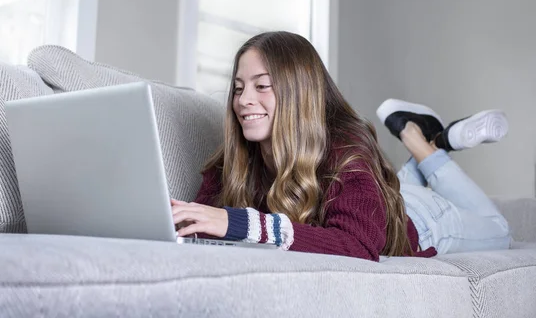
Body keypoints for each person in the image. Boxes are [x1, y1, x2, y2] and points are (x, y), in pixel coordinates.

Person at [171, 31, 511, 261]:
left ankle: (425, 145)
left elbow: (360, 245)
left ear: (299, 92)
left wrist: (241, 223)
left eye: (262, 86)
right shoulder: (234, 158)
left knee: (501, 231)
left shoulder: (345, 146)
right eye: (238, 87)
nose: (244, 100)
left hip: (422, 220)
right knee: (387, 187)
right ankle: (428, 138)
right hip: (378, 199)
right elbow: (200, 224)